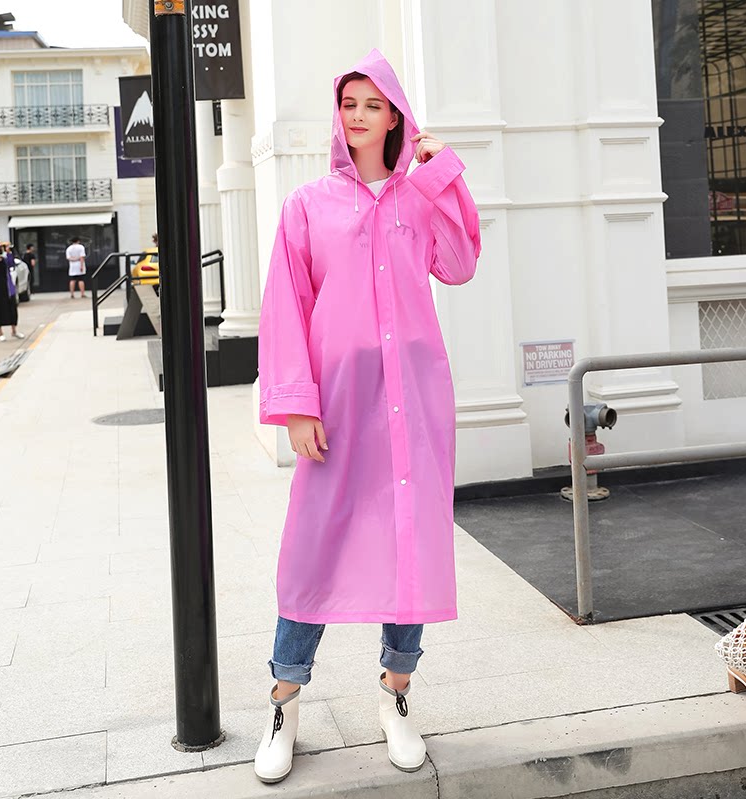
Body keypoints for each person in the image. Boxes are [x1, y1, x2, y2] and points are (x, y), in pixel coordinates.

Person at [254, 49, 481, 783]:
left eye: (372, 104)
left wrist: (445, 174)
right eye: (348, 102)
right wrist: (296, 406)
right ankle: (284, 703)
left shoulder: (419, 198)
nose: (357, 115)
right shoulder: (308, 204)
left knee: (409, 546)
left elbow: (460, 264)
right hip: (340, 402)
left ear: (395, 117)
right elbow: (286, 306)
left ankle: (396, 693)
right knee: (314, 547)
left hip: (413, 395)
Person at [0, 239, 24, 341]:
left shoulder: (4, 260)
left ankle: (14, 331)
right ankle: (1, 333)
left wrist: (8, 252)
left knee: (12, 309)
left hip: (7, 288)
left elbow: (12, 264)